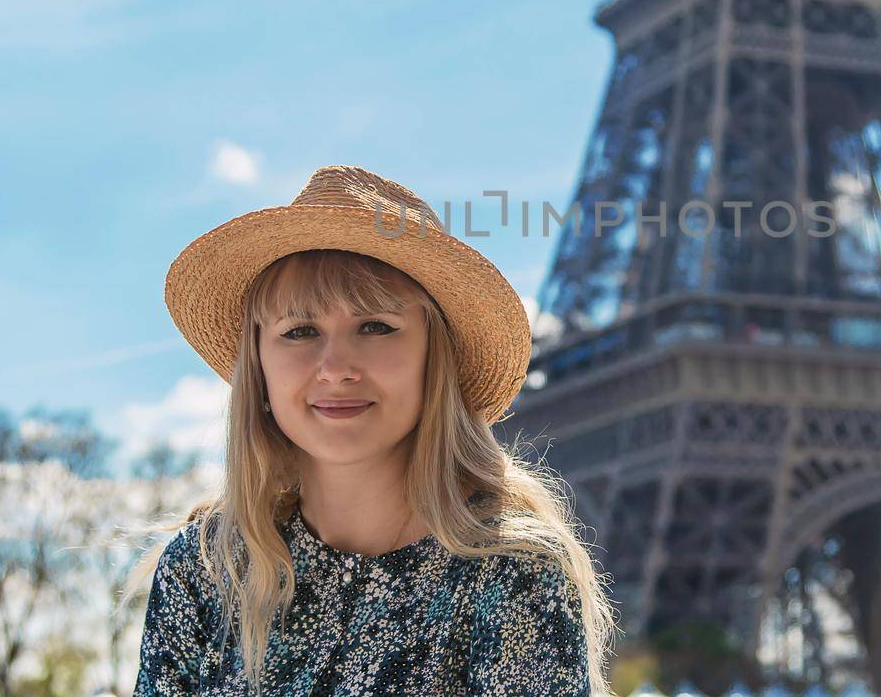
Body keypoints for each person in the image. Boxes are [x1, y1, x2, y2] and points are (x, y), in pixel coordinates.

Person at [123, 165, 617, 695]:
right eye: (301, 331)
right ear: (259, 367)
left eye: (375, 326)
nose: (335, 367)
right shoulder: (204, 572)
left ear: (436, 357)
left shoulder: (513, 578)